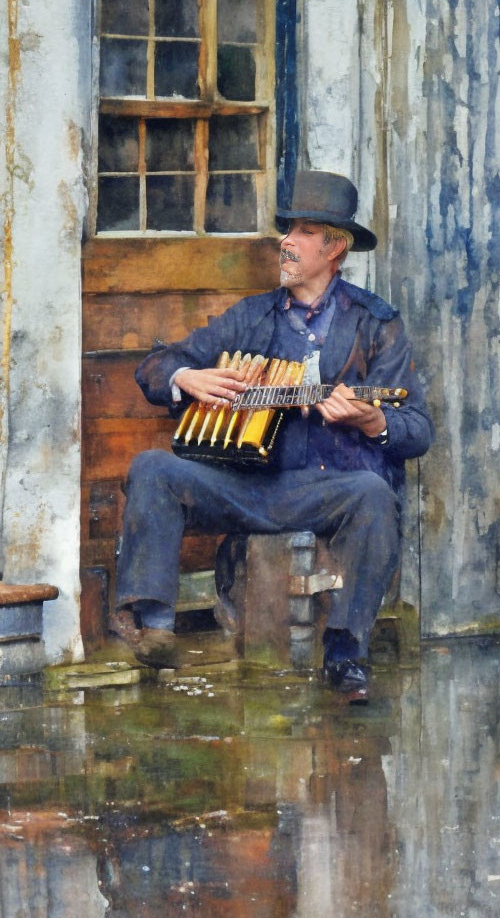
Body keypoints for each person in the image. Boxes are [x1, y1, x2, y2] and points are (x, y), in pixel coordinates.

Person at [111, 170, 433, 699]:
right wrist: (185, 377)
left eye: (302, 231)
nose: (285, 241)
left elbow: (416, 430)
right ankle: (154, 627)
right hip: (246, 485)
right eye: (287, 230)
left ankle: (346, 651)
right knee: (153, 468)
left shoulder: (378, 326)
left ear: (335, 247)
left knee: (376, 495)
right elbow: (156, 366)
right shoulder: (252, 317)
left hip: (330, 489)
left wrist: (372, 419)